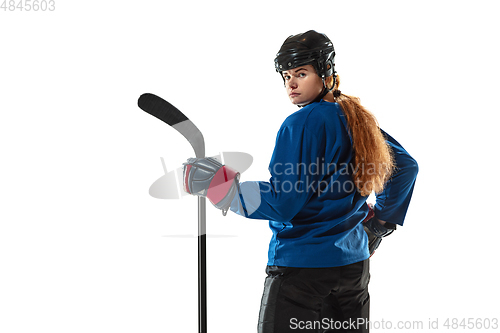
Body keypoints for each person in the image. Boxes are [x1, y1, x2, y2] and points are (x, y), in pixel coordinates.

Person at [183, 30, 418, 333]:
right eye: (286, 76)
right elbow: (404, 167)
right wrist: (379, 225)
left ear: (326, 72)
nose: (290, 84)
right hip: (353, 271)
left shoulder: (302, 123)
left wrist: (221, 186)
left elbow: (283, 202)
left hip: (302, 274)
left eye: (301, 73)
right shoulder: (358, 120)